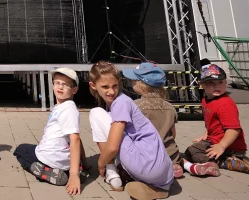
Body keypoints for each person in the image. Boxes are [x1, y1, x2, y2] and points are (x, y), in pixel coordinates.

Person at [89, 61, 173, 200]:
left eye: (115, 86)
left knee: (96, 113)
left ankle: (112, 173)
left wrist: (101, 164)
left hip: (145, 162)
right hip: (165, 173)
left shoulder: (121, 102)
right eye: (105, 87)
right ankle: (155, 187)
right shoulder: (124, 102)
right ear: (93, 86)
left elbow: (112, 147)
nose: (111, 91)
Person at [14, 68, 88, 195]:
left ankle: (46, 172)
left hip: (47, 156)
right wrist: (85, 162)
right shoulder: (65, 107)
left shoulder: (68, 109)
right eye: (57, 83)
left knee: (20, 150)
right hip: (63, 161)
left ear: (74, 90)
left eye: (65, 84)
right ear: (53, 85)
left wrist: (74, 175)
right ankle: (63, 171)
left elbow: (75, 139)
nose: (60, 87)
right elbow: (76, 138)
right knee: (34, 148)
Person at [181, 64, 249, 176]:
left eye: (220, 82)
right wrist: (206, 133)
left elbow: (234, 130)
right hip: (216, 141)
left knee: (193, 152)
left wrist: (221, 146)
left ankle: (226, 162)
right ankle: (224, 159)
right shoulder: (206, 99)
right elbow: (212, 120)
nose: (216, 86)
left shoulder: (225, 104)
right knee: (191, 152)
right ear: (201, 84)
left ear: (226, 82)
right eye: (211, 83)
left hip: (229, 146)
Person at [123, 62, 183, 179]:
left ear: (142, 84)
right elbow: (173, 134)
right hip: (170, 154)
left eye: (133, 80)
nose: (131, 82)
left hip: (149, 157)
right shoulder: (170, 107)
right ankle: (175, 164)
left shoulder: (136, 106)